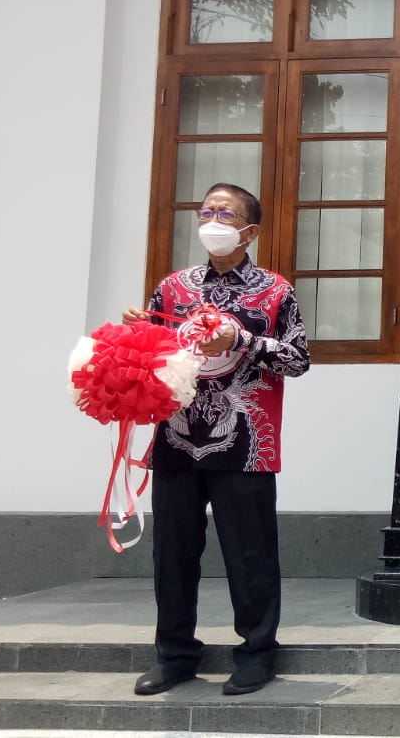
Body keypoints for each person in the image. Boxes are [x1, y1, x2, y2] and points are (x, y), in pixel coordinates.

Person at [122, 183, 309, 697]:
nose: (213, 222)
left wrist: (242, 340)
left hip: (247, 442)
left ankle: (257, 654)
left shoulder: (275, 291)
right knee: (173, 554)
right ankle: (175, 655)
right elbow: (152, 354)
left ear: (250, 231)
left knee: (250, 556)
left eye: (225, 214)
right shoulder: (173, 288)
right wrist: (135, 332)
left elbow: (298, 359)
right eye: (206, 212)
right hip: (178, 438)